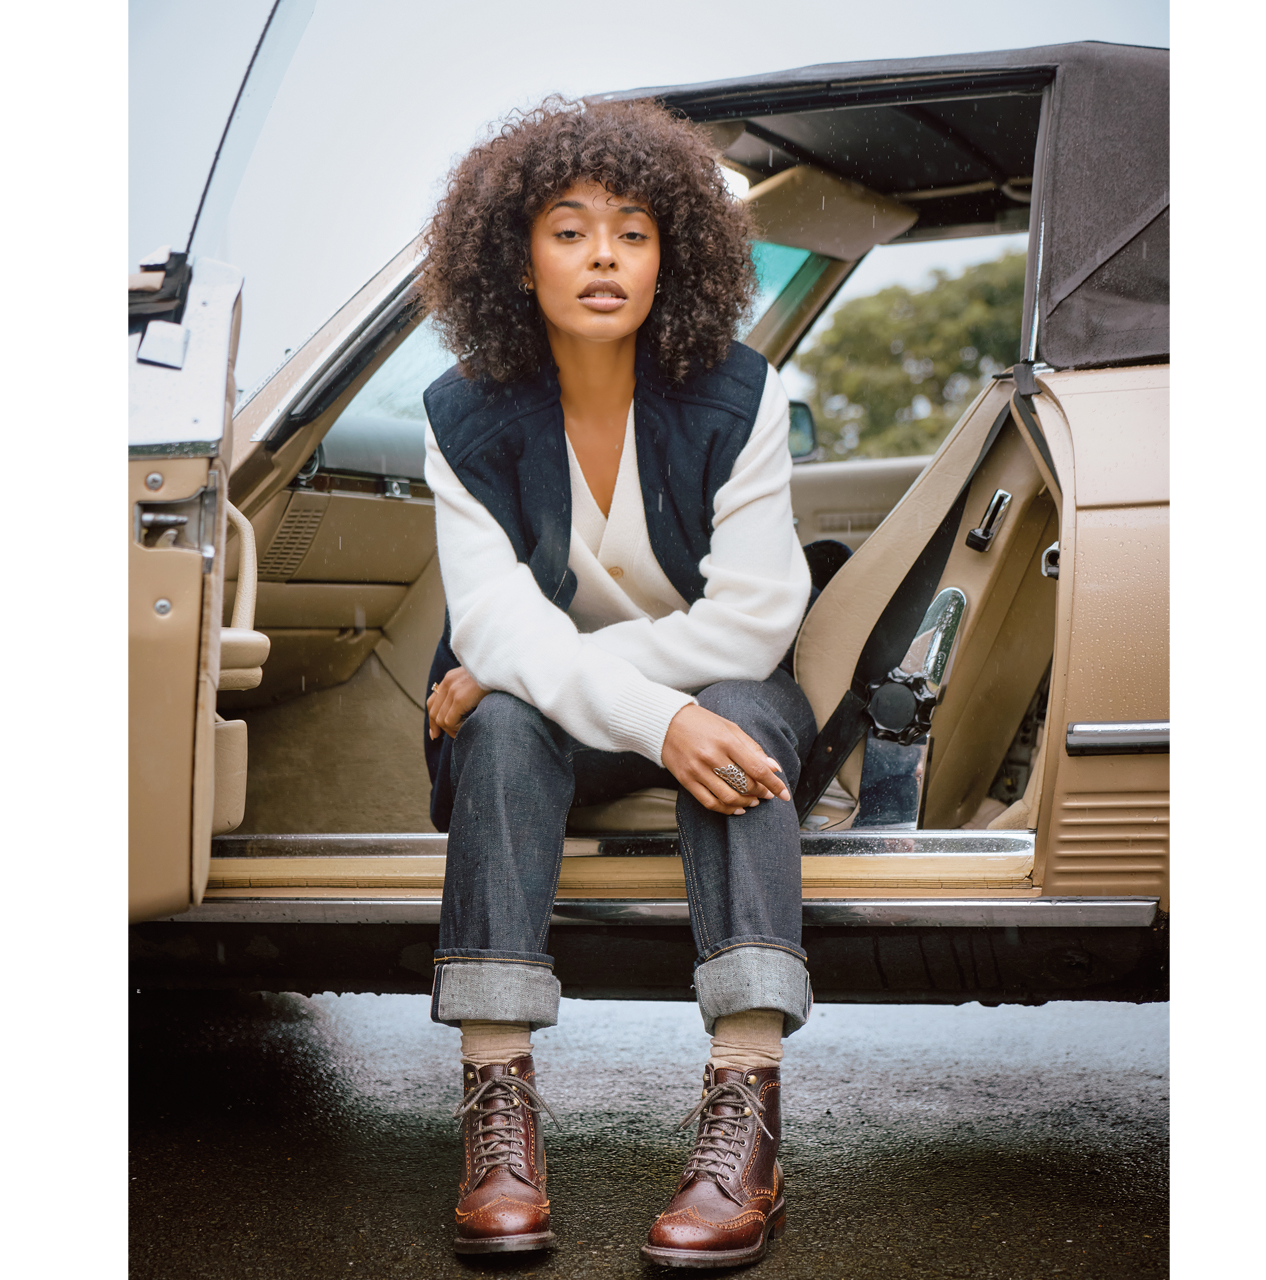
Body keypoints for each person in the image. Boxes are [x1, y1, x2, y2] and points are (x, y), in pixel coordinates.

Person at [416, 96, 814, 1267]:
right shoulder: (462, 416)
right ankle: (497, 1116)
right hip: (551, 736)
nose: (603, 256)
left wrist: (541, 675)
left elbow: (751, 619)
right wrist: (633, 709)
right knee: (496, 731)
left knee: (735, 719)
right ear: (513, 254)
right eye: (570, 228)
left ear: (672, 253)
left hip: (724, 688)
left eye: (634, 231)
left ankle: (748, 1117)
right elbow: (488, 615)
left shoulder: (743, 396)